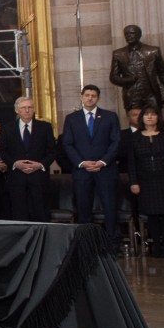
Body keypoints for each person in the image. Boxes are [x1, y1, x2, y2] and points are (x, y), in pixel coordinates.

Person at [60, 84, 122, 247]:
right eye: (87, 95)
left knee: (109, 207)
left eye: (93, 95)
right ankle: (86, 244)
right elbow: (67, 143)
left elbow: (116, 141)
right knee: (83, 208)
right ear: (81, 97)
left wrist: (102, 161)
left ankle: (112, 244)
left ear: (98, 98)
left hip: (105, 169)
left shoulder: (110, 116)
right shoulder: (71, 119)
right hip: (82, 171)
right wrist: (81, 163)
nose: (90, 98)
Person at [130, 106, 164, 256]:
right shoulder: (135, 137)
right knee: (151, 214)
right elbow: (132, 162)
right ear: (142, 118)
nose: (150, 117)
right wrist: (134, 182)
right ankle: (155, 247)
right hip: (146, 181)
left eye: (153, 114)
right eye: (146, 115)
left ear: (158, 117)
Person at [1, 96, 57, 224]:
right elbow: (2, 151)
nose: (27, 110)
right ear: (17, 111)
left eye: (30, 107)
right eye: (23, 108)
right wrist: (15, 163)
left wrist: (41, 165)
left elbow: (52, 151)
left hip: (39, 178)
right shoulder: (8, 128)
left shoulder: (45, 127)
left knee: (40, 213)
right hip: (17, 179)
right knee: (19, 214)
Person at [110, 24, 164, 111]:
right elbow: (113, 77)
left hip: (151, 94)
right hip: (132, 95)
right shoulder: (118, 54)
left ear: (139, 35)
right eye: (126, 34)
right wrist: (128, 80)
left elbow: (163, 73)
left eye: (132, 33)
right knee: (135, 121)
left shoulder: (153, 51)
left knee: (155, 119)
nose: (129, 36)